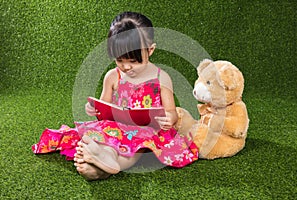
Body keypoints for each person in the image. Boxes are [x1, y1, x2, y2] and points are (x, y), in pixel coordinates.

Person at [32, 11, 198, 181]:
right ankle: (100, 163)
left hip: (145, 130)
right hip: (115, 127)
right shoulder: (113, 76)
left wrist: (168, 119)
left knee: (136, 146)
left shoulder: (161, 78)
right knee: (103, 136)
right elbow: (104, 106)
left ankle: (104, 163)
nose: (126, 67)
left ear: (150, 50)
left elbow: (171, 111)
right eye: (120, 60)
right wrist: (93, 109)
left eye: (134, 61)